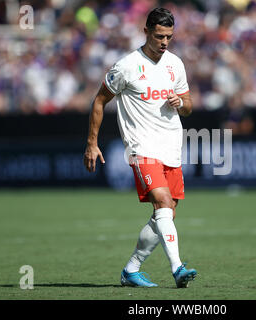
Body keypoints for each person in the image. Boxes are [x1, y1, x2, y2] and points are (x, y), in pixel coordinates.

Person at [83, 8, 197, 288]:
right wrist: (91, 143)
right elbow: (99, 101)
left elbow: (189, 105)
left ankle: (131, 270)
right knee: (162, 202)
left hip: (171, 146)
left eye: (169, 36)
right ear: (146, 31)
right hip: (142, 146)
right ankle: (178, 268)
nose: (164, 42)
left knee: (166, 211)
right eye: (159, 36)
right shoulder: (126, 66)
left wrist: (180, 103)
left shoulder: (175, 64)